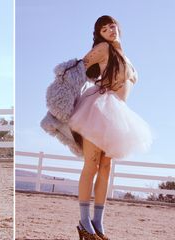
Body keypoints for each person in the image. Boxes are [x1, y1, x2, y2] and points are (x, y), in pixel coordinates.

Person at [69, 16, 152, 239]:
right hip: (98, 108)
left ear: (118, 27)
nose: (110, 31)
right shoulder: (103, 47)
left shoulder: (126, 58)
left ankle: (98, 222)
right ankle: (84, 221)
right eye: (104, 29)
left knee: (106, 168)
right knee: (92, 163)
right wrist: (66, 97)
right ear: (100, 35)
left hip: (118, 114)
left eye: (112, 26)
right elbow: (77, 68)